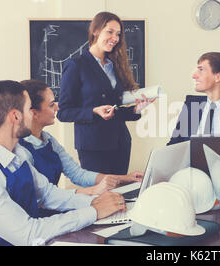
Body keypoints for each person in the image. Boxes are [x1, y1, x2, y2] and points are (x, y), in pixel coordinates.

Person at [0, 80, 126, 246]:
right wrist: (93, 211)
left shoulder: (18, 154)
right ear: (15, 116)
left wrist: (95, 202)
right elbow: (29, 234)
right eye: (29, 109)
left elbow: (48, 194)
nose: (32, 115)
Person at [57, 11, 154, 175]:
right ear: (95, 31)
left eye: (118, 34)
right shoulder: (76, 65)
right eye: (110, 32)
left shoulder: (115, 66)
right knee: (101, 196)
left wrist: (136, 110)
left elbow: (114, 109)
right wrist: (93, 111)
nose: (115, 38)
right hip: (93, 146)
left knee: (118, 193)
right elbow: (64, 112)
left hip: (120, 142)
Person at [19, 79, 143, 197]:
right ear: (34, 113)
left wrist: (127, 178)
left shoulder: (48, 140)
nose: (57, 108)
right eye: (52, 105)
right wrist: (94, 190)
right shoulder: (20, 150)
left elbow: (78, 174)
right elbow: (45, 197)